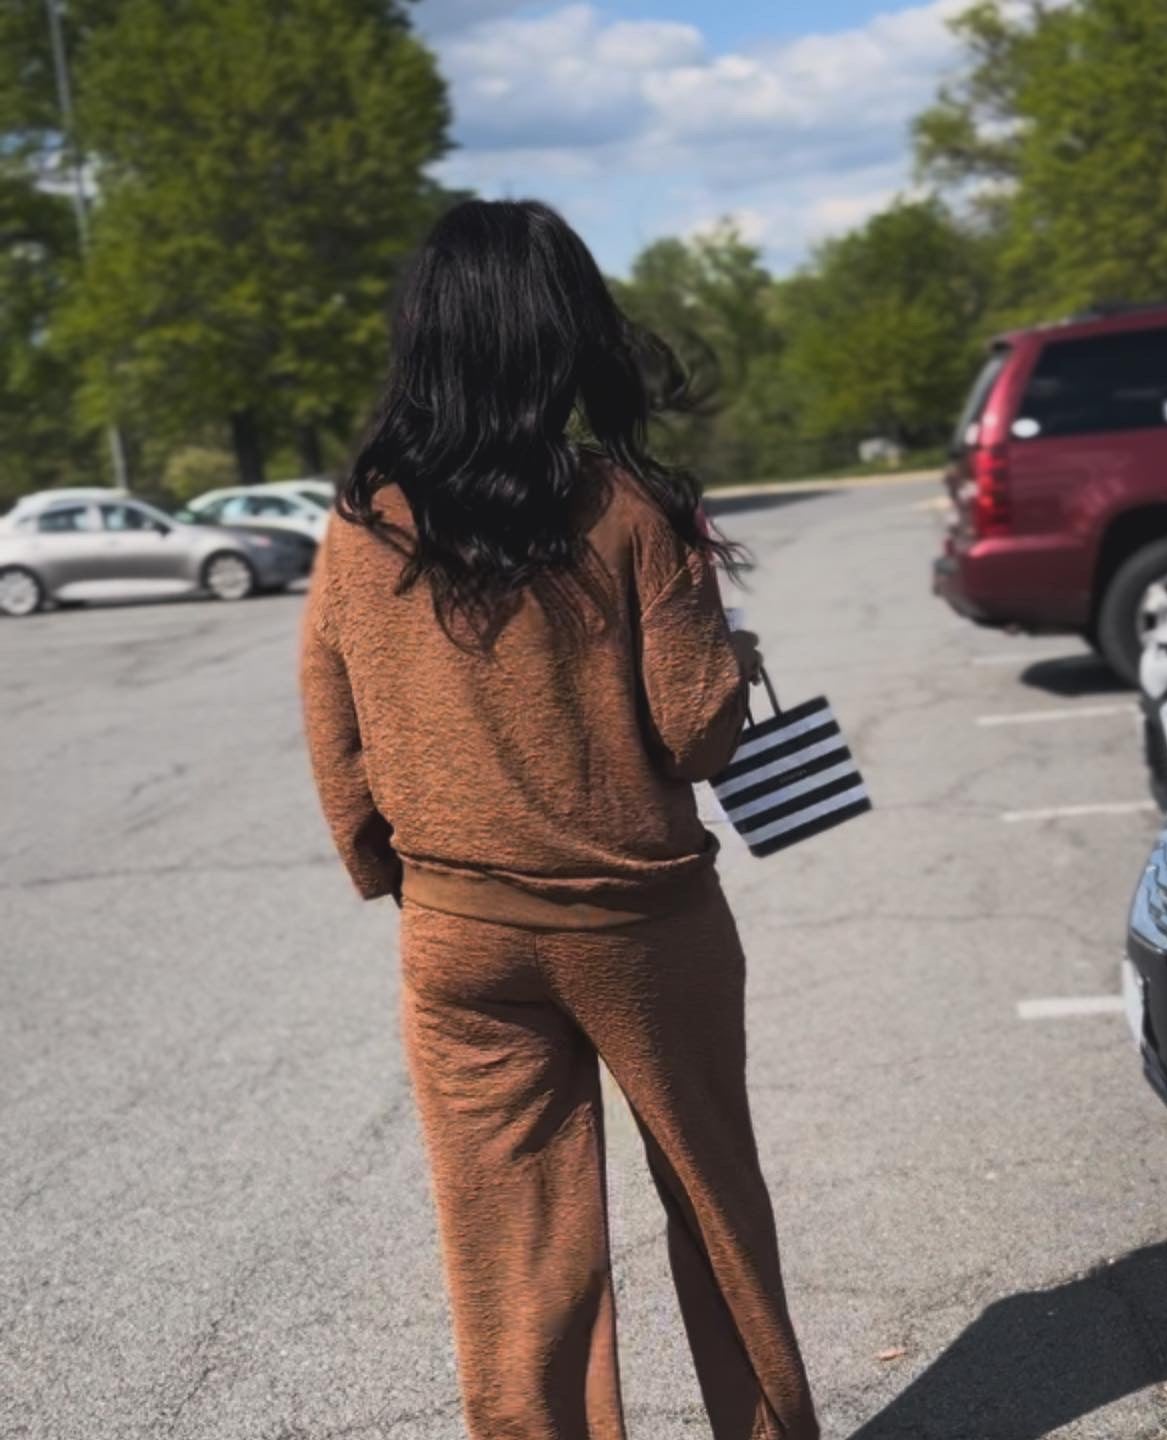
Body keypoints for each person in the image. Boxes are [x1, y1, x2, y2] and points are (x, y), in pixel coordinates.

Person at [299, 198, 818, 1440]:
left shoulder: (364, 523)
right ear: (563, 332)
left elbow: (334, 722)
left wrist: (395, 870)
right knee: (713, 1203)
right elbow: (695, 733)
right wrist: (731, 650)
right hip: (643, 923)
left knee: (511, 1253)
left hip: (462, 933)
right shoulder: (629, 507)